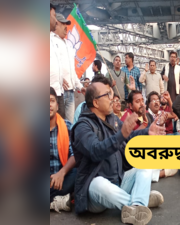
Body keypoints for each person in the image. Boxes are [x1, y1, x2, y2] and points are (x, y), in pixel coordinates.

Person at [71, 76, 165, 223]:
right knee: (98, 184)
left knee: (144, 160)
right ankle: (140, 198)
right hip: (95, 193)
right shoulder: (82, 127)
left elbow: (128, 136)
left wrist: (146, 132)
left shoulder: (112, 119)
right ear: (95, 102)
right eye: (107, 95)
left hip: (118, 181)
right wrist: (121, 135)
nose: (112, 98)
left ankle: (137, 204)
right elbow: (96, 151)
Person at [52, 13, 86, 122]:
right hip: (59, 91)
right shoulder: (51, 40)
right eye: (63, 24)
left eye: (67, 24)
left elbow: (72, 71)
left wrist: (80, 87)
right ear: (56, 24)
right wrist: (59, 80)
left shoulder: (68, 45)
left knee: (70, 124)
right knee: (59, 122)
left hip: (71, 92)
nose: (66, 26)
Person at [50, 87, 76, 213]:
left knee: (78, 171)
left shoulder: (67, 126)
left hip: (63, 178)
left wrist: (62, 173)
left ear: (57, 105)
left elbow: (75, 155)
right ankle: (57, 201)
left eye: (51, 100)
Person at [50, 4, 66, 119]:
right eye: (54, 16)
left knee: (60, 129)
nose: (56, 20)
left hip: (58, 92)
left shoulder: (53, 40)